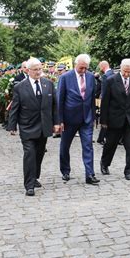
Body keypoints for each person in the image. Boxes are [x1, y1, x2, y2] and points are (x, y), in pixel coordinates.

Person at [7, 58, 59, 196]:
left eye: (39, 69)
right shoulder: (19, 87)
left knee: (39, 153)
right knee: (29, 154)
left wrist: (57, 123)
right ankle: (29, 185)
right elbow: (15, 108)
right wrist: (12, 125)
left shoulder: (48, 84)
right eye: (35, 70)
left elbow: (54, 106)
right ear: (28, 70)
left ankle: (35, 176)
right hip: (27, 126)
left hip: (44, 125)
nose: (38, 72)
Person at [57, 54, 100, 185]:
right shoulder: (65, 77)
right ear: (76, 65)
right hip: (69, 118)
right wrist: (60, 120)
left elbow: (92, 97)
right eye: (81, 68)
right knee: (65, 145)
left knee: (88, 146)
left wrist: (92, 116)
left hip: (86, 118)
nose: (83, 71)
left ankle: (90, 174)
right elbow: (60, 99)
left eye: (86, 68)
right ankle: (65, 171)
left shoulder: (91, 77)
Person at [99, 58, 130, 180]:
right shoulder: (111, 80)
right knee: (110, 144)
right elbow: (105, 102)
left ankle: (129, 171)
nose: (126, 74)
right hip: (115, 118)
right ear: (120, 68)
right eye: (124, 71)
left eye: (129, 72)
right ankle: (105, 163)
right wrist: (103, 120)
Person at [96, 60, 114, 144]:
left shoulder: (105, 76)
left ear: (103, 66)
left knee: (105, 119)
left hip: (107, 101)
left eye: (100, 66)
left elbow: (104, 90)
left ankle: (102, 138)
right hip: (112, 100)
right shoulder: (113, 73)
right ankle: (101, 138)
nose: (100, 68)